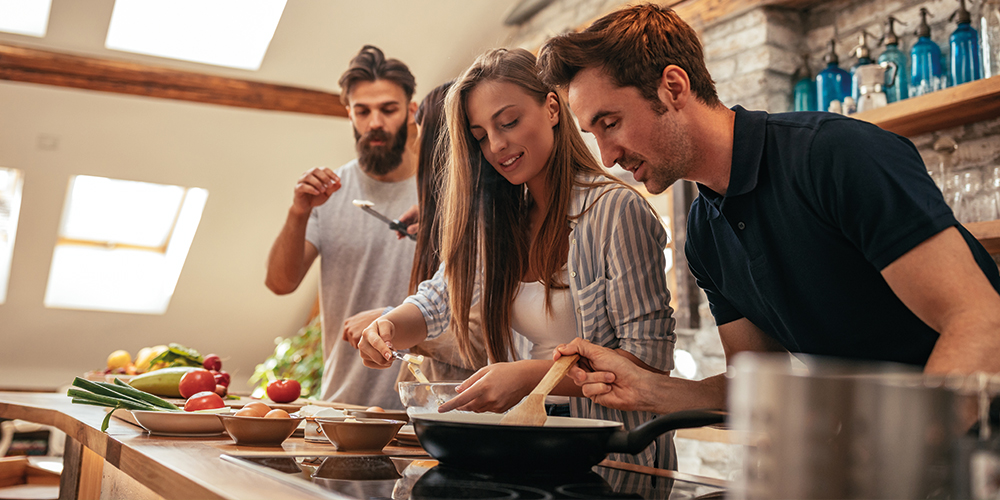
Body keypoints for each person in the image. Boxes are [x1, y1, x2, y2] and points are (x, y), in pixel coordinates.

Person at [535, 3, 1000, 415]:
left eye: (610, 123)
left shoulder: (832, 155)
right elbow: (755, 383)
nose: (608, 156)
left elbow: (980, 322)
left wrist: (892, 471)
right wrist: (651, 389)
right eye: (593, 134)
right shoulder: (703, 233)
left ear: (673, 87)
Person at [357, 48, 677, 487]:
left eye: (507, 122)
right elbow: (439, 299)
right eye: (481, 135)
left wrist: (530, 379)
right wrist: (389, 327)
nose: (497, 145)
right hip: (525, 453)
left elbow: (648, 363)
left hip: (612, 462)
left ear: (551, 107)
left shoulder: (614, 211)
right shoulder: (503, 223)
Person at [265, 45, 418, 409]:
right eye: (363, 111)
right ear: (349, 114)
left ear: (411, 111)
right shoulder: (329, 192)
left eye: (388, 109)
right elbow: (280, 283)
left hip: (422, 409)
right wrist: (299, 211)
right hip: (341, 409)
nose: (375, 122)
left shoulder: (443, 190)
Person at [344, 81, 489, 383]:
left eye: (422, 139)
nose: (415, 148)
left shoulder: (491, 228)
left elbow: (483, 345)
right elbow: (436, 300)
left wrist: (389, 318)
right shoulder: (459, 222)